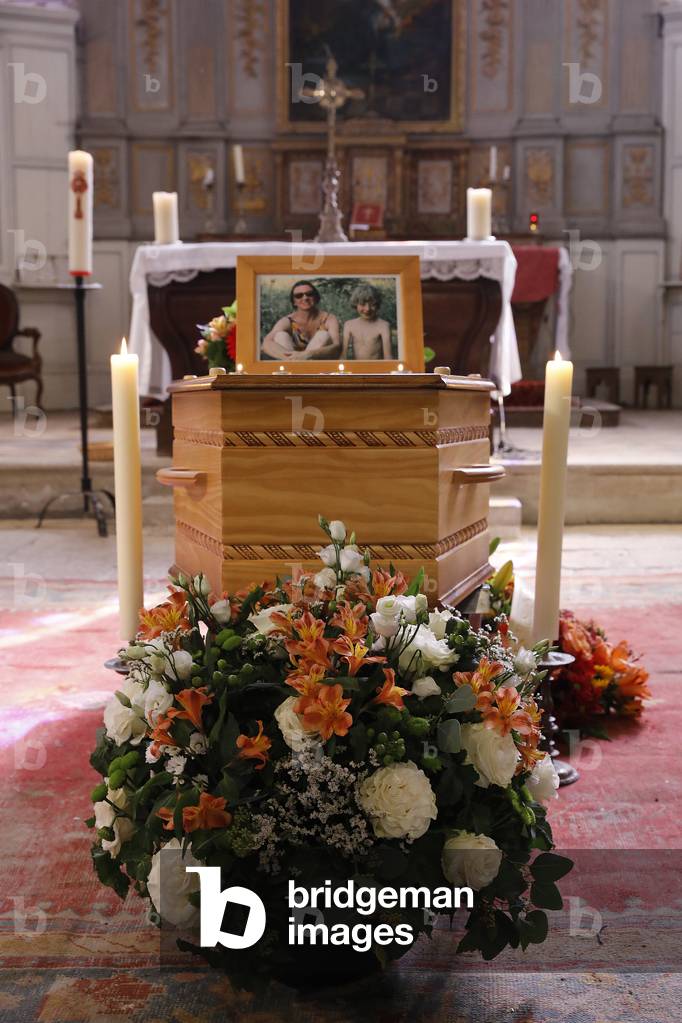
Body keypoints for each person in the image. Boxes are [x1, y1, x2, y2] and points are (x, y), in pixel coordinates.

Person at [261, 281, 340, 360]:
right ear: (294, 302)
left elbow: (337, 346)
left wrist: (307, 354)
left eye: (309, 294)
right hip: (292, 361)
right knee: (280, 335)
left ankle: (299, 367)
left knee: (323, 335)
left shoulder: (329, 319)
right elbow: (266, 343)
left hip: (318, 362)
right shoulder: (288, 320)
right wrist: (291, 357)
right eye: (299, 296)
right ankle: (297, 366)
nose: (305, 298)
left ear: (315, 297)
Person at [341, 283, 392, 360]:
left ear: (377, 305)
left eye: (372, 304)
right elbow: (343, 356)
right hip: (356, 370)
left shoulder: (383, 326)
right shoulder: (349, 325)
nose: (367, 309)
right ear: (356, 304)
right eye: (362, 304)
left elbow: (388, 357)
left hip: (376, 370)